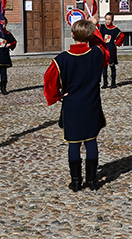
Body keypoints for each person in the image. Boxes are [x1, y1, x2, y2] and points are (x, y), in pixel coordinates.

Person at [43, 19, 109, 191]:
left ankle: (76, 181)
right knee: (91, 141)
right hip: (92, 104)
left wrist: (56, 96)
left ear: (72, 35)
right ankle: (93, 180)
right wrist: (95, 29)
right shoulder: (97, 53)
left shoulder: (62, 59)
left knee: (73, 143)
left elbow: (48, 81)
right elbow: (105, 51)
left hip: (72, 105)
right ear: (90, 35)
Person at [98, 12, 125, 88]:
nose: (108, 21)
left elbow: (121, 36)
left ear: (112, 20)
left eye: (109, 19)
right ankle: (105, 83)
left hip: (111, 50)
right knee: (104, 67)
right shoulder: (102, 27)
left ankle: (113, 82)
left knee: (112, 66)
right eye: (106, 19)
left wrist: (117, 42)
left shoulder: (114, 29)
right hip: (104, 49)